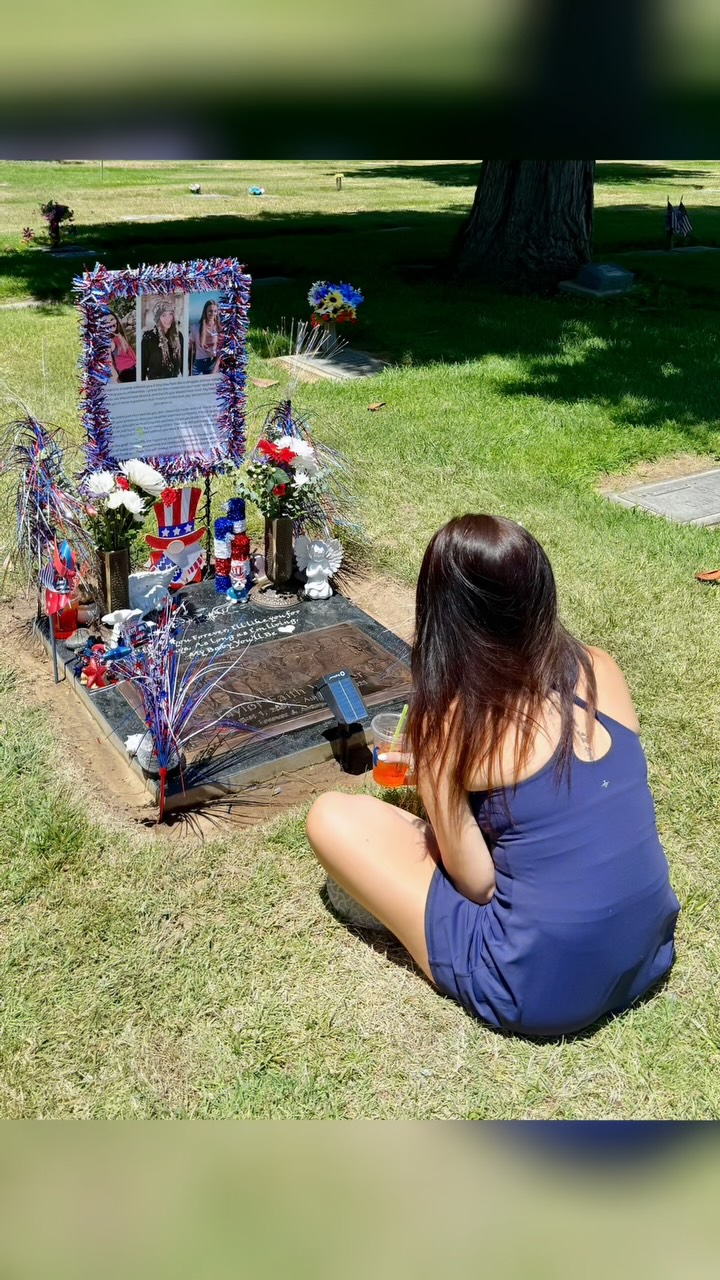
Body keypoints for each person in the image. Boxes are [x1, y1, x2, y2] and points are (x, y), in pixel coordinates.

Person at [306, 514, 680, 1038]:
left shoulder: (456, 722)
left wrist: (439, 788)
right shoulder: (598, 669)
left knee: (331, 816)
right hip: (649, 949)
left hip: (535, 987)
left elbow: (478, 885)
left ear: (443, 615)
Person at [141, 298, 184, 380]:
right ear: (158, 318)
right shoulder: (148, 338)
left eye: (170, 314)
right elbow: (142, 366)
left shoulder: (178, 336)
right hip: (155, 386)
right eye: (163, 315)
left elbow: (183, 363)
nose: (168, 319)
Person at [189, 299, 222, 375]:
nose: (212, 313)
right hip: (198, 363)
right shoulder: (196, 327)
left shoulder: (219, 329)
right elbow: (189, 346)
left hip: (212, 363)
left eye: (215, 311)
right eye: (210, 311)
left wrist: (213, 371)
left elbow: (220, 353)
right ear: (205, 312)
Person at [107, 312, 136, 383]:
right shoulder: (109, 341)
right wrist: (117, 380)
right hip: (125, 375)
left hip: (133, 370)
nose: (111, 323)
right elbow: (109, 363)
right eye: (107, 322)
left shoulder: (119, 335)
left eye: (112, 319)